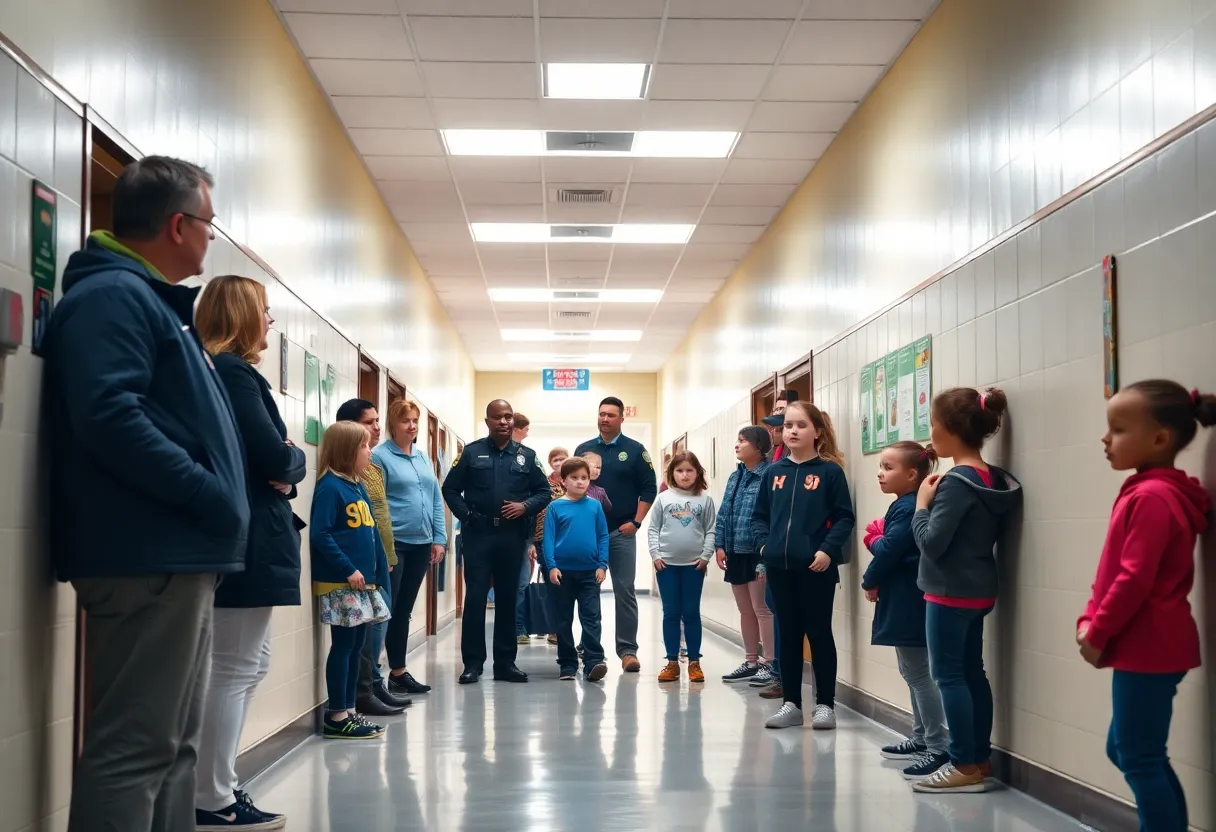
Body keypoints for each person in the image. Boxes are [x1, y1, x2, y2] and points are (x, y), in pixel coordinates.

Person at [44, 156, 249, 832]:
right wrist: (204, 493)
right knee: (134, 748)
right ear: (177, 223)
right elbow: (109, 415)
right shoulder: (114, 297)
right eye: (209, 224)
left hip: (175, 554)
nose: (210, 238)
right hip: (146, 552)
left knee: (173, 748)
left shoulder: (149, 301)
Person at [193, 275, 307, 830]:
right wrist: (289, 467)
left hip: (246, 532)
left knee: (245, 663)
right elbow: (274, 456)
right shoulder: (234, 374)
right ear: (241, 315)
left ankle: (215, 785)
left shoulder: (220, 371)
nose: (271, 321)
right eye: (265, 310)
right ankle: (212, 798)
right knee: (234, 666)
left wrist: (285, 464)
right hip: (248, 537)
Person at [1076, 381, 1215, 829]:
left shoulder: (1154, 497)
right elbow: (1114, 570)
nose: (1105, 437)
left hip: (1150, 645)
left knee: (1138, 756)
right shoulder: (1148, 489)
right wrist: (1089, 617)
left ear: (1159, 439)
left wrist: (1097, 633)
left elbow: (1134, 578)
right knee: (1130, 751)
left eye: (1117, 429)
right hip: (1150, 644)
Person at [911, 388, 1021, 794]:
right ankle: (978, 760)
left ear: (952, 430)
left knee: (949, 676)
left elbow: (932, 542)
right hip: (977, 588)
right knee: (972, 673)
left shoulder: (956, 482)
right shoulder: (989, 477)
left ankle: (961, 763)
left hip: (947, 591)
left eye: (935, 425)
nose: (931, 433)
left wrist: (922, 504)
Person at [751, 401, 853, 731]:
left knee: (819, 633)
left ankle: (825, 705)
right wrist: (764, 546)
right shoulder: (773, 473)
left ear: (817, 433)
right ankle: (791, 704)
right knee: (789, 635)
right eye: (788, 425)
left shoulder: (830, 472)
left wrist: (827, 550)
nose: (792, 430)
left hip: (817, 568)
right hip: (779, 568)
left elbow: (843, 517)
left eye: (801, 425)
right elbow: (759, 518)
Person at [442, 400, 551, 683]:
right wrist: (466, 515)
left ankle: (505, 663)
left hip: (511, 535)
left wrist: (525, 507)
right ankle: (472, 664)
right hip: (478, 534)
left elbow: (544, 492)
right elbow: (450, 488)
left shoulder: (527, 456)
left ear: (513, 420)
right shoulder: (471, 452)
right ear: (487, 421)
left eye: (508, 417)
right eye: (497, 417)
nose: (503, 422)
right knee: (476, 597)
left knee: (507, 597)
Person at [862, 441, 950, 782]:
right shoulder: (903, 504)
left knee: (918, 674)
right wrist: (879, 538)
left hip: (909, 599)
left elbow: (890, 547)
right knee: (911, 671)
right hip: (903, 595)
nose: (880, 473)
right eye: (881, 466)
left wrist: (872, 549)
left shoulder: (909, 506)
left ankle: (938, 744)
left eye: (888, 467)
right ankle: (921, 736)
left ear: (912, 474)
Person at [312, 421, 392, 740]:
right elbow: (321, 533)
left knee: (357, 645)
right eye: (364, 446)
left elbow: (370, 535)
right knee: (344, 646)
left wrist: (377, 575)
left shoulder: (356, 485)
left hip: (362, 583)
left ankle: (349, 710)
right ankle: (337, 714)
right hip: (341, 582)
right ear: (348, 451)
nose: (369, 451)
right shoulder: (330, 487)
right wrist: (347, 568)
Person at [337, 399, 409, 718]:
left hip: (383, 559)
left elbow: (381, 517)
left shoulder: (373, 468)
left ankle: (375, 684)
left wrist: (387, 556)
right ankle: (364, 691)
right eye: (370, 422)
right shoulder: (348, 472)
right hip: (362, 567)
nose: (377, 427)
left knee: (380, 626)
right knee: (365, 636)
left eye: (378, 420)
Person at [575, 397, 657, 673]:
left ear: (622, 419)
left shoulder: (635, 450)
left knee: (625, 592)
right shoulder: (583, 449)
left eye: (611, 415)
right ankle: (591, 650)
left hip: (621, 532)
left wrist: (636, 521)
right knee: (588, 591)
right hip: (588, 535)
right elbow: (573, 488)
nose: (605, 419)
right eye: (601, 414)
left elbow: (649, 488)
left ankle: (627, 651)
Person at [373, 399, 447, 698]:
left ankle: (398, 672)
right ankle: (374, 676)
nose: (412, 426)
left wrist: (439, 537)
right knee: (387, 610)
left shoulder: (422, 458)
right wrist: (385, 549)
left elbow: (434, 498)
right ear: (393, 424)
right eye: (406, 421)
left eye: (415, 420)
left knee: (403, 610)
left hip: (422, 543)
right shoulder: (380, 457)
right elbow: (378, 505)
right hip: (396, 544)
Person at [649, 452, 716, 684]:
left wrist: (706, 556)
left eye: (689, 470)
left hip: (694, 566)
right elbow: (653, 530)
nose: (684, 475)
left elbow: (710, 530)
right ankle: (672, 662)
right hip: (666, 564)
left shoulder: (705, 500)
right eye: (679, 471)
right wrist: (655, 555)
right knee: (671, 612)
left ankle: (695, 662)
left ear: (697, 473)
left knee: (691, 612)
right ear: (671, 474)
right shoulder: (663, 498)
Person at [542, 457, 610, 682]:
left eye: (584, 478)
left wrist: (602, 564)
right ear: (563, 481)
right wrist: (551, 566)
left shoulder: (595, 506)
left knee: (591, 618)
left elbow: (602, 536)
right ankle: (568, 664)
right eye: (575, 478)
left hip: (590, 572)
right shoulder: (555, 507)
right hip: (562, 573)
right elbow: (548, 539)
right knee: (563, 619)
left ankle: (593, 662)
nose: (580, 482)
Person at [715, 426, 774, 684]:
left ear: (759, 446)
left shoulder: (769, 475)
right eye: (737, 440)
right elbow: (723, 512)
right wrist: (719, 544)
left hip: (757, 552)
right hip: (734, 550)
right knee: (745, 610)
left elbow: (771, 517)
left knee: (762, 609)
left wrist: (765, 557)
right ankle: (751, 661)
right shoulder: (734, 476)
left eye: (743, 441)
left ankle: (769, 663)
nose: (737, 445)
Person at [527, 447, 569, 645]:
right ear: (550, 462)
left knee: (566, 584)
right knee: (552, 581)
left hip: (568, 539)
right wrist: (532, 542)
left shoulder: (573, 482)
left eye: (563, 459)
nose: (559, 463)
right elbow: (535, 512)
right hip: (544, 538)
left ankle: (562, 626)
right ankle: (552, 628)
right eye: (556, 460)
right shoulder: (543, 483)